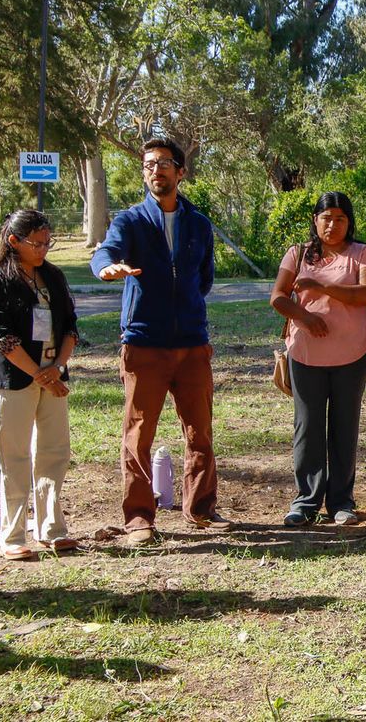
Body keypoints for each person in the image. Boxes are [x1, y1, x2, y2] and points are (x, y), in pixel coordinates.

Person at [91, 137, 231, 543]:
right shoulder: (130, 221)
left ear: (180, 172)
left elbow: (203, 279)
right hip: (144, 344)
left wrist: (185, 310)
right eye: (149, 164)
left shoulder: (199, 224)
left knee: (199, 432)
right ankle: (139, 519)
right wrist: (106, 268)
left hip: (191, 345)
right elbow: (106, 252)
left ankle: (201, 509)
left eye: (165, 163)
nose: (156, 170)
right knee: (138, 433)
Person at [270, 192, 366, 527]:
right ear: (315, 220)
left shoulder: (363, 253)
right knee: (308, 428)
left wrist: (321, 285)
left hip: (352, 355)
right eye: (326, 217)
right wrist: (303, 316)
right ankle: (305, 501)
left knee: (344, 428)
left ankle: (341, 502)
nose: (332, 225)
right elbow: (277, 297)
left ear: (350, 222)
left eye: (340, 218)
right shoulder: (298, 253)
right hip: (305, 355)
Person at [0, 210, 79, 559]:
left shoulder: (53, 275)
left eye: (47, 242)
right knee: (15, 457)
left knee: (54, 454)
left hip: (54, 375)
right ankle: (13, 536)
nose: (43, 249)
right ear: (13, 241)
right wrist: (40, 374)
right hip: (16, 380)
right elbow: (1, 337)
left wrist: (57, 367)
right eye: (36, 243)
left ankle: (51, 529)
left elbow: (70, 326)